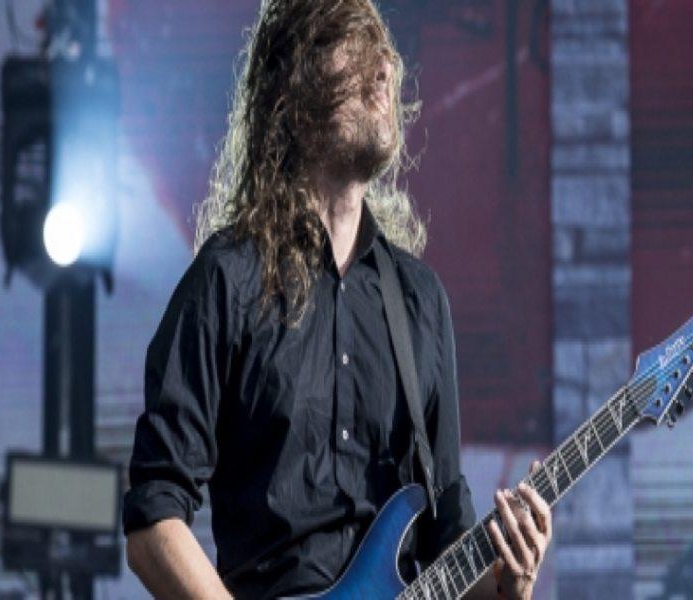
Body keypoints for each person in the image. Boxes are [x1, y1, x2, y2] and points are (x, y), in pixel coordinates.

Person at [121, 1, 552, 598]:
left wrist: (512, 580)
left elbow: (448, 542)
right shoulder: (229, 279)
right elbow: (152, 522)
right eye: (353, 47)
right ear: (290, 99)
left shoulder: (419, 301)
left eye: (385, 56)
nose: (384, 70)